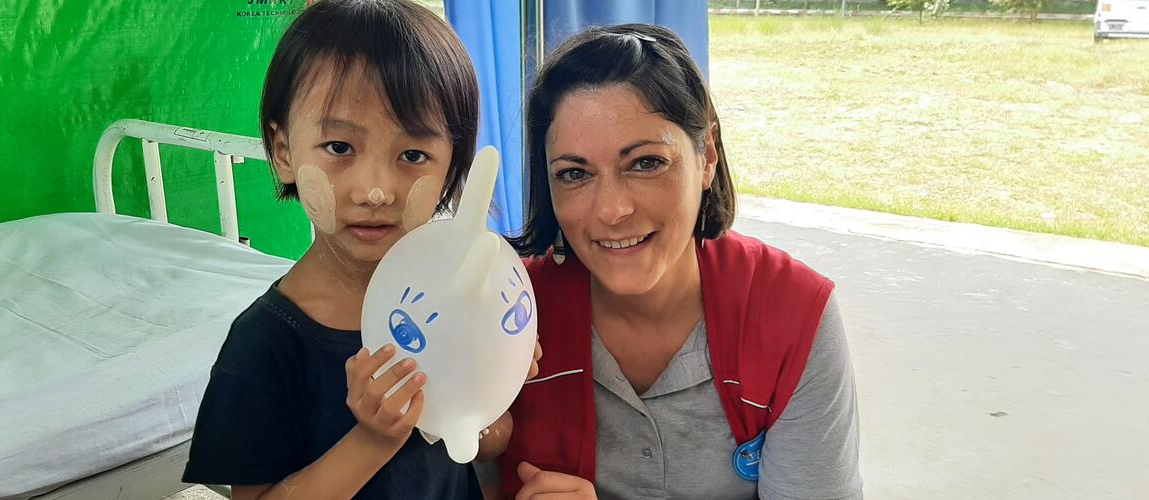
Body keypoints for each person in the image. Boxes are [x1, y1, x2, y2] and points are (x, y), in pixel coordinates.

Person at [181, 1, 537, 498]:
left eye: (413, 155)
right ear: (282, 152)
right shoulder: (264, 345)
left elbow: (486, 444)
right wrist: (373, 438)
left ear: (453, 165)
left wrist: (495, 384)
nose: (375, 190)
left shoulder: (463, 299)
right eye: (340, 148)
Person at [495, 24, 862, 499]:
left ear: (706, 155)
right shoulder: (509, 313)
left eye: (646, 163)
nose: (611, 210)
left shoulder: (793, 313)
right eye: (574, 174)